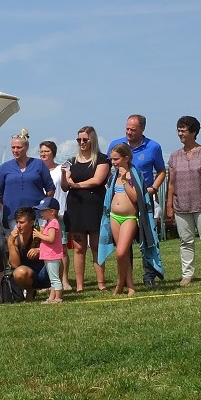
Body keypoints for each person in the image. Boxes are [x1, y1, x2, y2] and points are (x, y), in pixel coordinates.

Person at [107, 115, 166, 288]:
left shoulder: (153, 147)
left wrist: (152, 189)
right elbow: (109, 169)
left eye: (133, 129)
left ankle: (149, 276)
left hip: (145, 200)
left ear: (142, 129)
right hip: (122, 203)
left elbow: (161, 171)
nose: (129, 132)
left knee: (148, 238)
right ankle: (126, 279)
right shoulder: (116, 145)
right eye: (127, 129)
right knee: (124, 246)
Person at [165, 115, 201, 285]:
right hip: (181, 205)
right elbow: (171, 182)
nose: (180, 133)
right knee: (185, 241)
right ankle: (187, 274)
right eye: (178, 130)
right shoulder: (174, 157)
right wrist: (169, 205)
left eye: (183, 130)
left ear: (193, 132)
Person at [60, 125, 110, 291]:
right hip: (76, 208)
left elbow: (97, 180)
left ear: (92, 140)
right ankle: (80, 285)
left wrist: (77, 184)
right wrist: (63, 176)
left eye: (85, 139)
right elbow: (65, 186)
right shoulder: (71, 162)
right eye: (79, 140)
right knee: (79, 248)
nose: (81, 142)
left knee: (96, 246)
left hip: (95, 206)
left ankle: (101, 283)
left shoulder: (102, 159)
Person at [99, 144, 143, 297]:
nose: (113, 162)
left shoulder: (134, 175)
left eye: (116, 159)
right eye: (112, 159)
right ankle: (129, 285)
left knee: (121, 252)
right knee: (122, 254)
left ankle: (120, 281)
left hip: (129, 217)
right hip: (114, 217)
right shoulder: (113, 177)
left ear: (126, 158)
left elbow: (135, 198)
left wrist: (125, 181)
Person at [0, 129, 54, 231]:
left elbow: (50, 190)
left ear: (26, 147)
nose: (15, 150)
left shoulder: (39, 164)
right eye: (13, 147)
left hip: (37, 215)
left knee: (38, 245)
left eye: (19, 147)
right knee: (17, 245)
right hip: (13, 216)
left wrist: (42, 206)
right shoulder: (5, 167)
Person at [38, 141, 71, 290]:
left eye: (47, 151)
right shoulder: (37, 170)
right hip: (43, 214)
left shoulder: (59, 169)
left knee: (61, 248)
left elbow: (65, 187)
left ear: (53, 153)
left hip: (59, 213)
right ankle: (50, 280)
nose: (44, 154)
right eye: (41, 151)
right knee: (46, 249)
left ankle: (64, 280)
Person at [7, 206, 49, 300]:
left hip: (45, 269)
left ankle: (55, 289)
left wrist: (40, 250)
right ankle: (30, 290)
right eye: (17, 222)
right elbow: (15, 264)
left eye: (22, 222)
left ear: (31, 223)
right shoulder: (14, 238)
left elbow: (56, 251)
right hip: (29, 273)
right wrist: (11, 244)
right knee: (19, 272)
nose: (18, 225)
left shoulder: (40, 231)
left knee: (59, 260)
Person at [32, 197, 64, 304]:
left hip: (52, 255)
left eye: (43, 211)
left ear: (52, 211)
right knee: (52, 279)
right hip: (48, 255)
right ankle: (51, 298)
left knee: (55, 279)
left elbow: (51, 239)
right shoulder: (48, 223)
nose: (41, 213)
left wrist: (39, 235)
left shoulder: (53, 223)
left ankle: (58, 298)